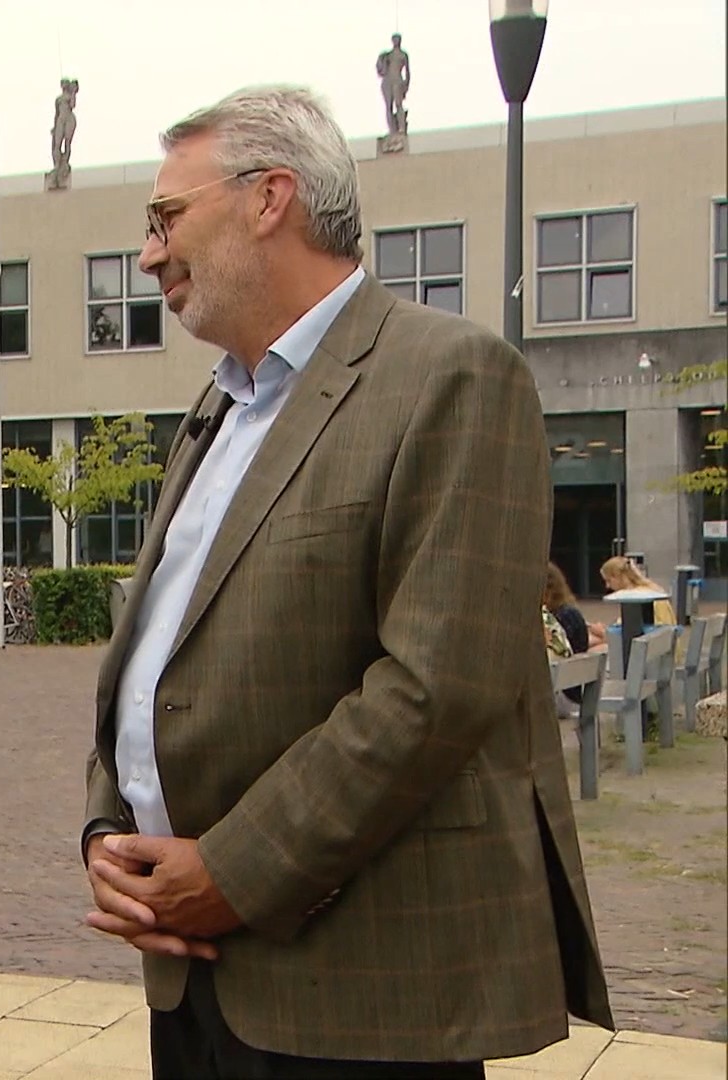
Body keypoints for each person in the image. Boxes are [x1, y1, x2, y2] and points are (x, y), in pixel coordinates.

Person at [78, 85, 612, 1079]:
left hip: (361, 994)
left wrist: (232, 872)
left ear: (269, 197)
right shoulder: (217, 407)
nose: (149, 253)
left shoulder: (452, 376)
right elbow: (159, 651)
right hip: (192, 977)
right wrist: (109, 832)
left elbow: (438, 687)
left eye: (166, 217)